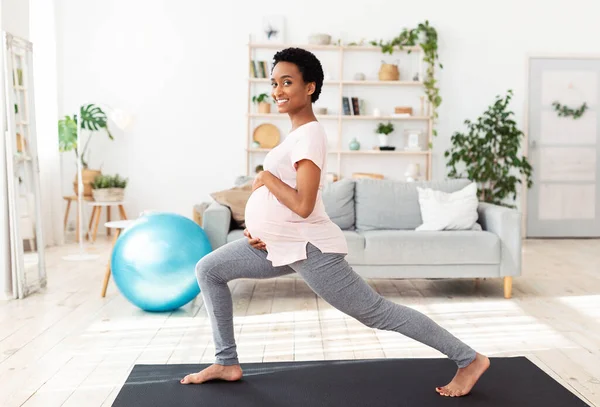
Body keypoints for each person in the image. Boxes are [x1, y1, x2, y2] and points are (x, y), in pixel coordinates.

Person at [180, 47, 490, 397]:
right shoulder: (296, 136)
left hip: (311, 249)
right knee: (209, 269)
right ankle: (226, 362)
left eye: (287, 82)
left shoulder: (310, 135)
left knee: (377, 313)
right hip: (280, 246)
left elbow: (303, 204)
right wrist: (262, 227)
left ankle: (469, 359)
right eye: (274, 83)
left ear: (309, 87)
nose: (278, 90)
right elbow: (290, 203)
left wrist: (266, 178)